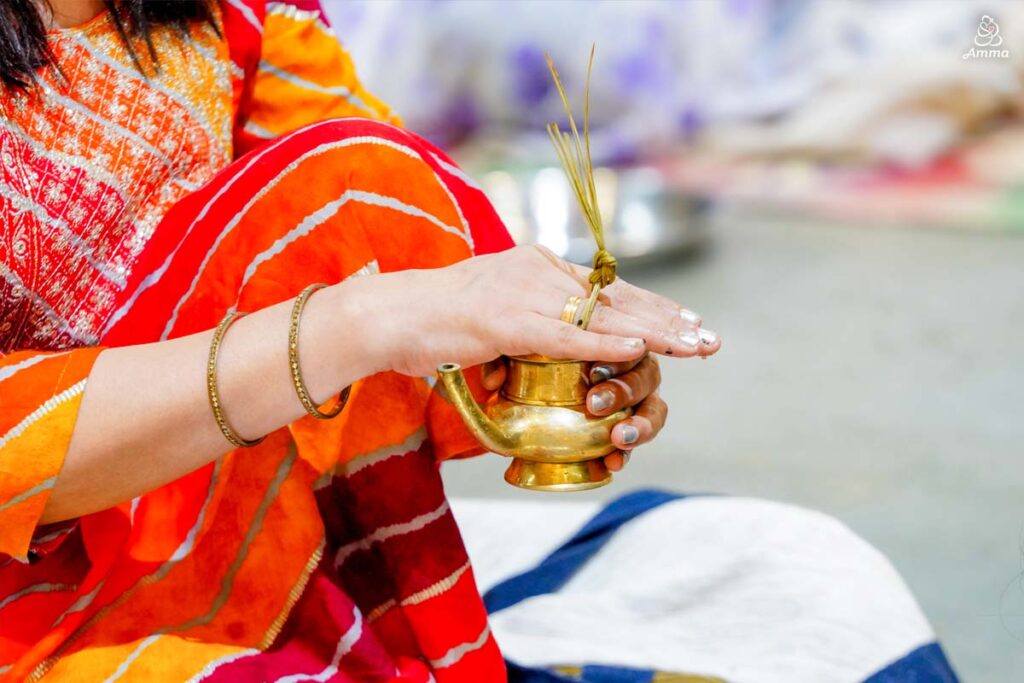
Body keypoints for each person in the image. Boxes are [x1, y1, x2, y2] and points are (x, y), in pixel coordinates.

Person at [0, 2, 956, 682]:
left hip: (256, 539)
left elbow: (380, 216)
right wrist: (358, 325)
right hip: (32, 614)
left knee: (802, 579)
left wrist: (535, 363)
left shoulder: (237, 19)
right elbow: (367, 307)